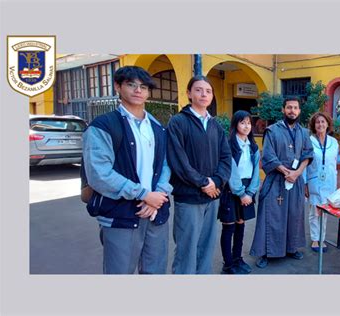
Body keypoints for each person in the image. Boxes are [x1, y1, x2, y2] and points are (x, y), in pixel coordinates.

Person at [83, 66, 172, 274]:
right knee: (119, 273)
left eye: (143, 86)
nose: (138, 90)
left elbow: (165, 165)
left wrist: (158, 195)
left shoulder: (158, 128)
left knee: (156, 271)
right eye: (131, 84)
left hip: (156, 213)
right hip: (121, 214)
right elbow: (99, 174)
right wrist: (144, 194)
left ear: (148, 92)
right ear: (118, 86)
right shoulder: (103, 126)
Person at [167, 75, 232, 274]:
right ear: (188, 93)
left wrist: (217, 181)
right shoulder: (178, 122)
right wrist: (203, 182)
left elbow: (226, 157)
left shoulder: (215, 125)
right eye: (198, 90)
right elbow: (179, 161)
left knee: (206, 247)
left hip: (212, 196)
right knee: (187, 248)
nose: (204, 94)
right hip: (188, 197)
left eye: (208, 91)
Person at [250, 97, 314, 268]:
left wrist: (297, 173)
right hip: (276, 180)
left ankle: (291, 248)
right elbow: (268, 156)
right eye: (289, 107)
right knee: (270, 217)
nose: (292, 111)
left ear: (299, 111)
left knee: (294, 215)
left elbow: (308, 154)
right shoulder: (272, 130)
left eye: (295, 108)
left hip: (296, 181)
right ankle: (265, 253)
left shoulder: (304, 133)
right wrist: (286, 172)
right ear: (283, 110)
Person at [217, 110, 260, 274]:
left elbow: (256, 172)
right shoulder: (229, 145)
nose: (246, 126)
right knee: (229, 227)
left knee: (241, 226)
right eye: (242, 122)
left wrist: (250, 192)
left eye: (249, 122)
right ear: (235, 125)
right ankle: (228, 264)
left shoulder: (253, 146)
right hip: (231, 190)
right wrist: (241, 193)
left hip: (248, 190)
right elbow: (231, 171)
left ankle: (237, 259)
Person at [305, 112, 339, 252]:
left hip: (329, 181)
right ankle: (314, 239)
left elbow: (334, 163)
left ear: (327, 124)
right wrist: (305, 183)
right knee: (314, 210)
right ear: (314, 125)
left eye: (323, 122)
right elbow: (305, 163)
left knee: (325, 211)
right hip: (314, 181)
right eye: (317, 122)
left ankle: (322, 238)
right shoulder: (309, 141)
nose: (320, 124)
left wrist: (336, 182)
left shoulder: (334, 142)